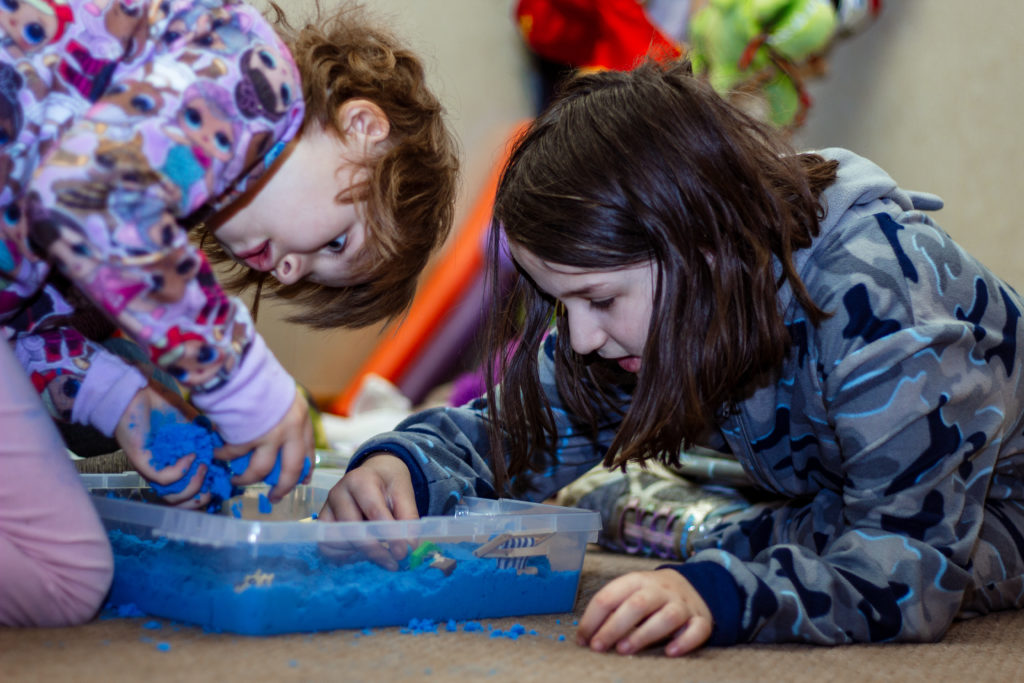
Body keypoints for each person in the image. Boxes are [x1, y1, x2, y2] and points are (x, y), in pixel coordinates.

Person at [321, 58, 1024, 656]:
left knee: (762, 551)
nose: (584, 336)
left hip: (1002, 507)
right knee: (756, 534)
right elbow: (516, 431)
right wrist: (401, 462)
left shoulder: (880, 299)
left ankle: (695, 521)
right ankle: (697, 518)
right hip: (831, 496)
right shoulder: (661, 296)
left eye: (598, 299)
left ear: (702, 246)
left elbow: (909, 574)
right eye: (563, 304)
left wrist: (722, 597)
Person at [1, 0, 457, 626]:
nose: (289, 271)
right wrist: (250, 386)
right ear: (360, 126)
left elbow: (21, 329)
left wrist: (124, 401)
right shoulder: (249, 72)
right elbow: (90, 196)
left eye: (314, 272)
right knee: (66, 576)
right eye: (336, 242)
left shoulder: (154, 217)